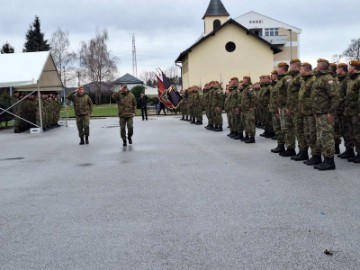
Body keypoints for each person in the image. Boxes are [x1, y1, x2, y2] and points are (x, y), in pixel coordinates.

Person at [311, 58, 339, 170]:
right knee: (321, 137)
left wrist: (331, 113)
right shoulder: (319, 78)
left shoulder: (328, 79)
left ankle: (330, 161)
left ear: (321, 66)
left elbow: (335, 97)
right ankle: (325, 159)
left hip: (325, 113)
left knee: (327, 136)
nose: (316, 66)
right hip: (319, 113)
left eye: (317, 64)